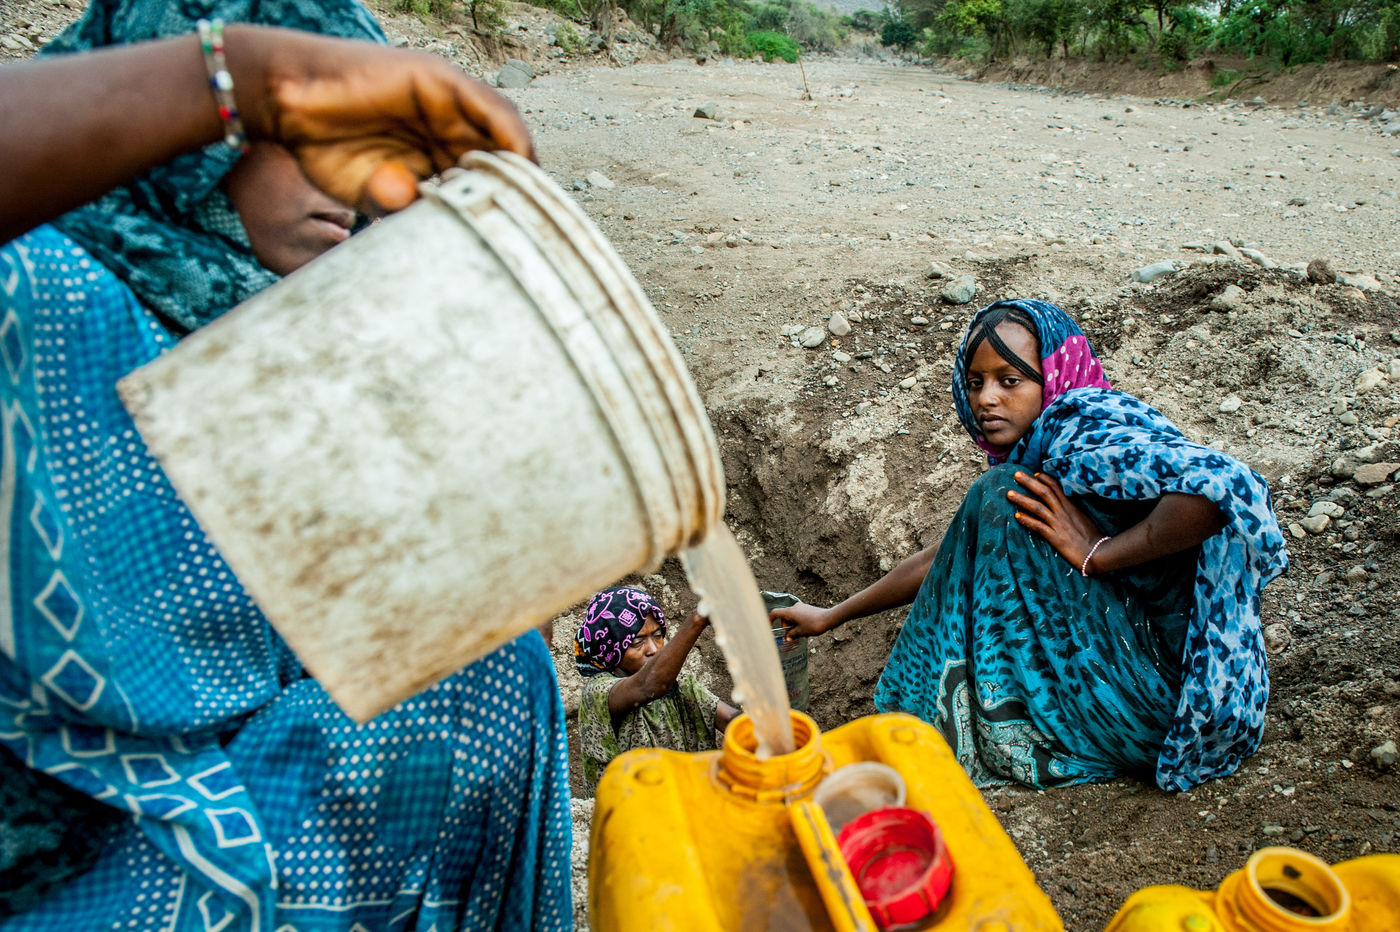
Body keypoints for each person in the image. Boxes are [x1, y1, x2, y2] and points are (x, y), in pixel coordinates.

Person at [0, 1, 570, 929]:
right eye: (307, 135)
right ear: (199, 140)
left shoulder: (250, 326)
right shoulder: (43, 284)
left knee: (499, 672)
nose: (347, 187)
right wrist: (243, 74)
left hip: (200, 788)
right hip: (57, 861)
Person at [771, 299, 1288, 792]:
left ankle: (941, 739)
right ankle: (965, 728)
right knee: (999, 500)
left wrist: (1099, 552)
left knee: (999, 494)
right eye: (975, 383)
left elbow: (1225, 488)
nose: (986, 399)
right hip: (1181, 706)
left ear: (1055, 375)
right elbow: (948, 557)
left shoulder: (1081, 426)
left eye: (1010, 380)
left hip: (1169, 711)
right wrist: (831, 616)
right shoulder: (1043, 453)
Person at [575, 587, 739, 795]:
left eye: (658, 636)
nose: (653, 649)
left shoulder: (679, 683)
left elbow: (729, 720)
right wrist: (698, 620)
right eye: (637, 642)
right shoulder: (598, 693)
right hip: (629, 809)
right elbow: (649, 686)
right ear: (611, 647)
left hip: (682, 805)